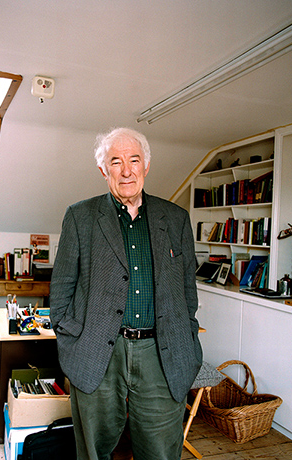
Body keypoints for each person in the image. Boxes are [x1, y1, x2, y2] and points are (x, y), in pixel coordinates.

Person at [50, 127, 202, 460]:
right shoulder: (80, 216)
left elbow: (188, 290)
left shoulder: (176, 219)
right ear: (104, 170)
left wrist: (187, 335)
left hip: (161, 353)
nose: (127, 170)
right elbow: (61, 287)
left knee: (160, 452)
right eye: (115, 162)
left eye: (134, 160)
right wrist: (69, 339)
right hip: (96, 352)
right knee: (93, 451)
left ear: (146, 165)